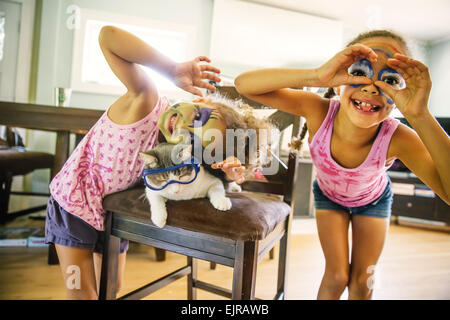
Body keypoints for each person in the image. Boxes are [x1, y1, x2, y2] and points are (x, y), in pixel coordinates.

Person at [235, 30, 450, 300]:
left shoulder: (399, 137)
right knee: (336, 276)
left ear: (400, 94)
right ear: (339, 79)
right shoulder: (319, 110)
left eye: (390, 80)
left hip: (374, 201)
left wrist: (420, 115)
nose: (372, 87)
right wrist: (316, 75)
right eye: (360, 72)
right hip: (329, 198)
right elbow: (244, 84)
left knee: (364, 280)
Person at [45, 25, 245, 299]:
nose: (184, 126)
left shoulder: (173, 153)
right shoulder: (147, 100)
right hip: (72, 207)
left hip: (110, 212)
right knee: (81, 292)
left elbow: (202, 180)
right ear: (198, 100)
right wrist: (171, 68)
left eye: (193, 137)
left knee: (112, 289)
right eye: (198, 118)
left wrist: (227, 174)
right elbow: (108, 37)